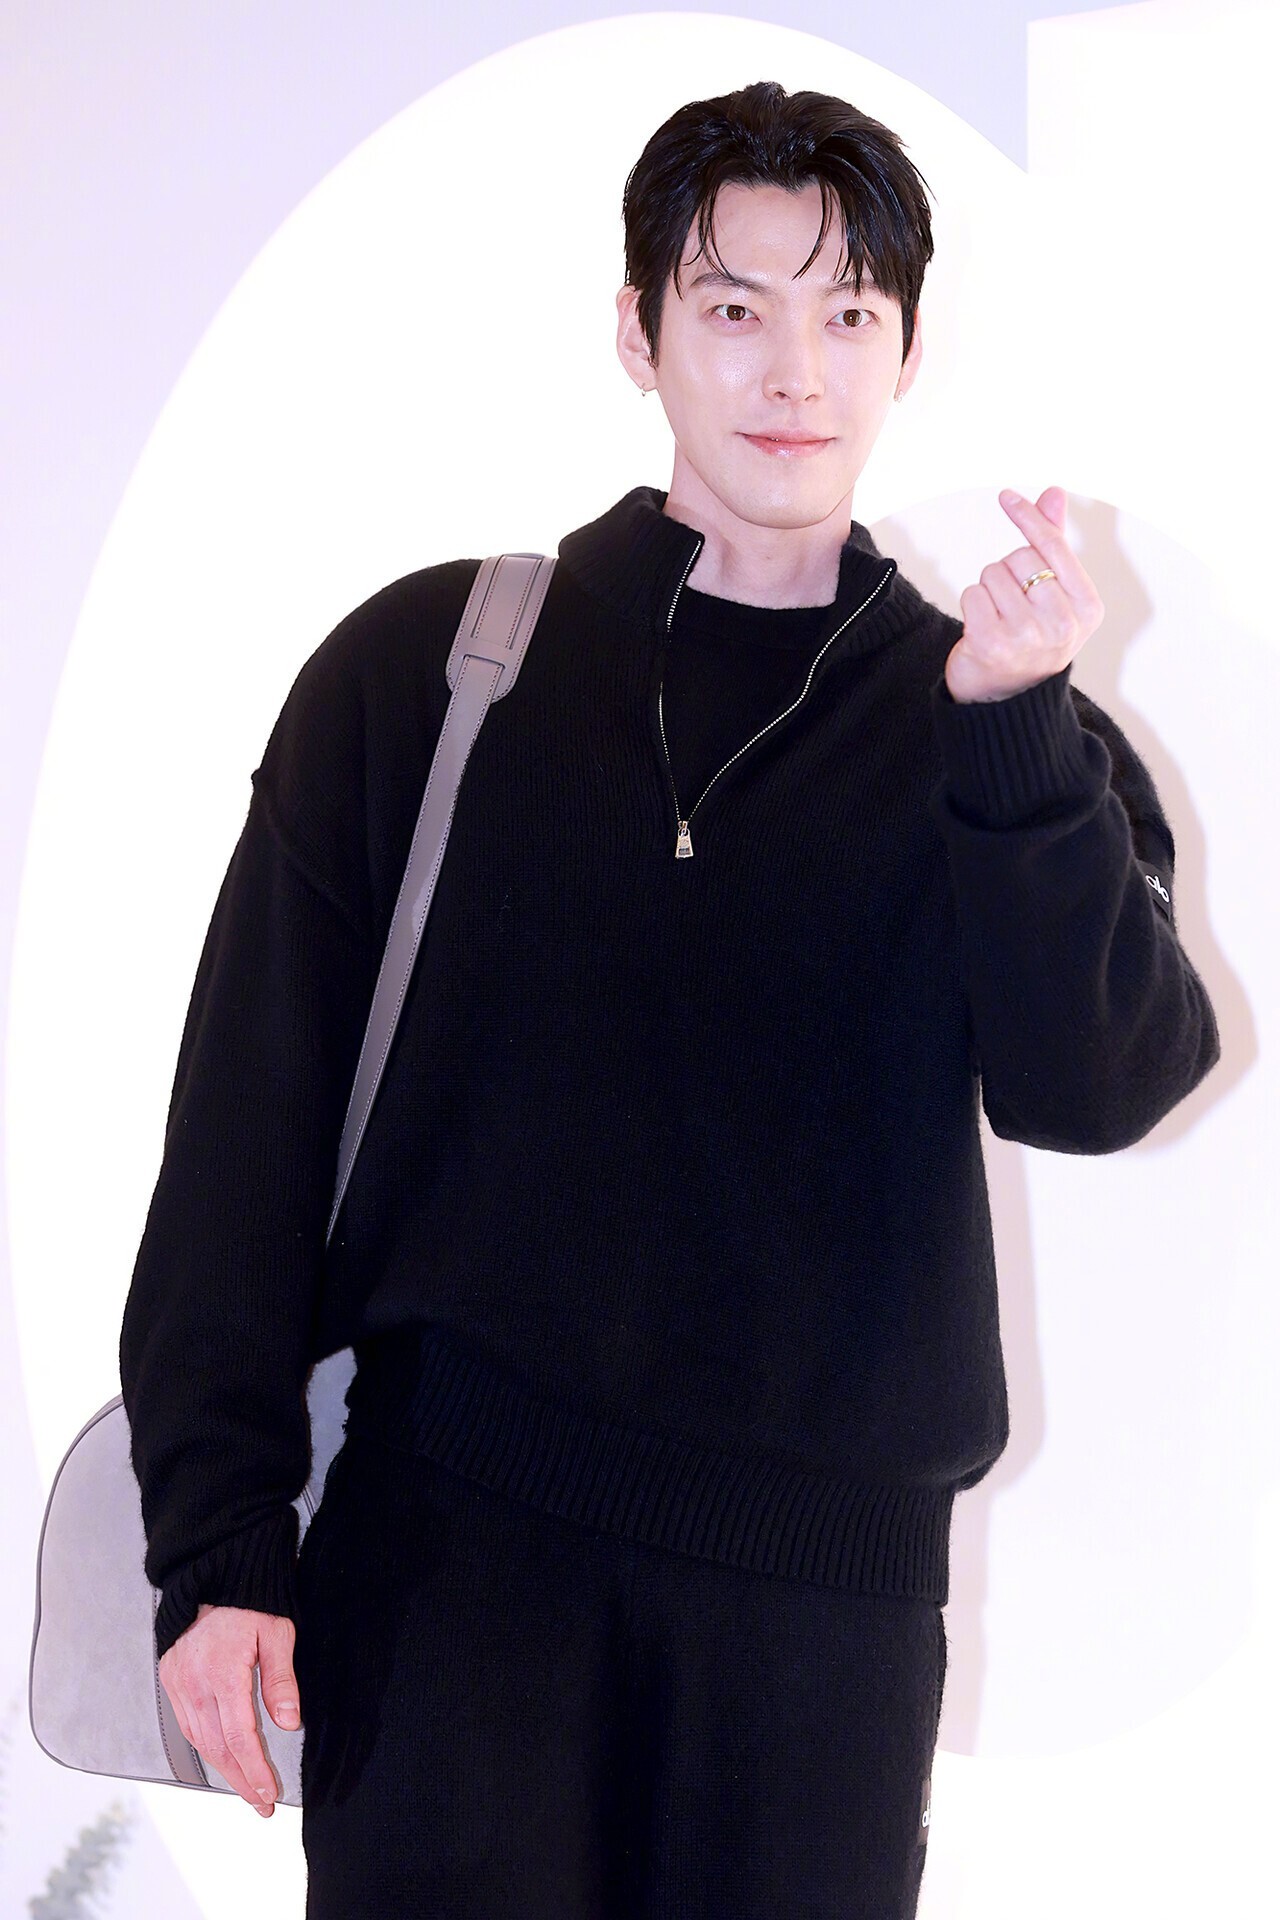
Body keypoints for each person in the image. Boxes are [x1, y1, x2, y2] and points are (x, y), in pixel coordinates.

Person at [118, 79, 1221, 1918]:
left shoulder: (997, 722)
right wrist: (217, 1540)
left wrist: (1015, 729)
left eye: (846, 314)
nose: (795, 371)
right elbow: (244, 1127)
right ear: (638, 334)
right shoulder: (430, 672)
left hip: (822, 1639)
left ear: (908, 352)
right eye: (733, 307)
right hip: (449, 1582)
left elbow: (1102, 1086)